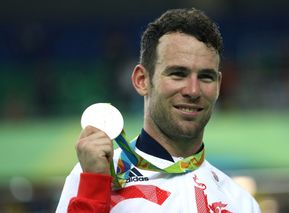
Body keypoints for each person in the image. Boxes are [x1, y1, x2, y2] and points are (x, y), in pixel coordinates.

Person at [56, 8, 261, 213]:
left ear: (218, 85)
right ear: (142, 80)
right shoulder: (93, 178)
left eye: (206, 77)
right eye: (178, 74)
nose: (193, 90)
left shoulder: (240, 203)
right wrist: (94, 189)